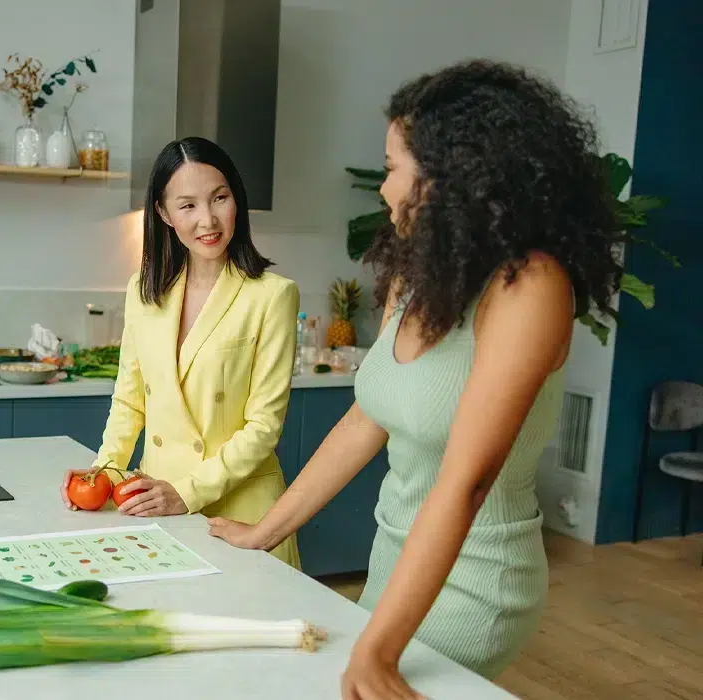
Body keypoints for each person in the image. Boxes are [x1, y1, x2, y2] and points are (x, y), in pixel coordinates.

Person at [207, 59, 621, 697]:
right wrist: (267, 531)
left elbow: (467, 481)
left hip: (476, 581)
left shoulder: (529, 287)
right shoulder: (421, 275)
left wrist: (377, 650)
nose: (384, 187)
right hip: (394, 559)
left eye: (394, 166)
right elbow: (365, 417)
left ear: (452, 173)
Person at [61, 136, 302, 570]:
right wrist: (104, 473)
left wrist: (187, 492)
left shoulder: (272, 296)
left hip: (242, 510)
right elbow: (130, 399)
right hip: (157, 500)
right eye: (187, 205)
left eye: (219, 198)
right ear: (163, 214)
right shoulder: (143, 290)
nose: (207, 220)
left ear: (237, 201)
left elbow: (264, 426)